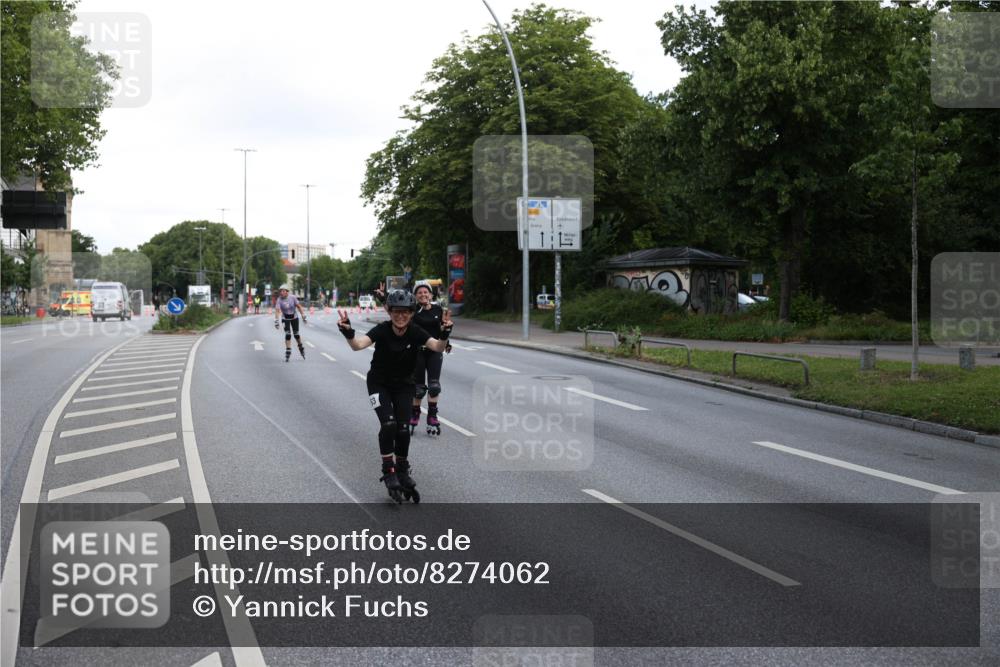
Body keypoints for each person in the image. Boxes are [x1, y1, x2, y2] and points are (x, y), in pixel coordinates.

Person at [338, 289, 452, 503]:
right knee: (388, 424)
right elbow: (358, 346)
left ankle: (402, 468)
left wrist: (445, 334)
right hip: (378, 384)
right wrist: (348, 332)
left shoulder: (415, 331)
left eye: (406, 313)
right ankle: (388, 469)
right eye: (396, 312)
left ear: (411, 313)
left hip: (404, 386)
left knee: (402, 427)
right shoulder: (382, 330)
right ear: (389, 312)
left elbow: (437, 346)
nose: (401, 317)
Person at [273, 284, 307, 361]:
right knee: (288, 334)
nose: (281, 292)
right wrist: (276, 321)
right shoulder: (279, 300)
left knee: (296, 334)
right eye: (280, 291)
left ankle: (300, 346)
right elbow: (277, 311)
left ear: (287, 292)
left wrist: (303, 316)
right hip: (285, 318)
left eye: (283, 291)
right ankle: (288, 349)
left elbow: (299, 306)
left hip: (294, 317)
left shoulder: (293, 297)